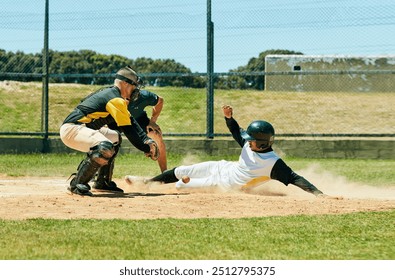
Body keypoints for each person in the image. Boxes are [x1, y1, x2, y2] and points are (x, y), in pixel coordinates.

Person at [126, 105, 327, 197]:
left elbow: (296, 178)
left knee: (180, 186)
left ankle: (181, 183)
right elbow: (236, 132)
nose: (247, 142)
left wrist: (319, 194)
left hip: (223, 184)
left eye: (252, 141)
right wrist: (229, 118)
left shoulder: (274, 164)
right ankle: (147, 182)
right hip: (221, 167)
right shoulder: (250, 144)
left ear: (264, 144)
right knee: (181, 170)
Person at [60, 66, 159, 196]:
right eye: (134, 85)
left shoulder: (116, 98)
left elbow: (131, 122)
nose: (135, 90)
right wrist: (145, 148)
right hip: (72, 129)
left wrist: (147, 140)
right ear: (124, 83)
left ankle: (102, 182)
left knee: (115, 138)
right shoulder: (115, 99)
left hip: (84, 129)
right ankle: (77, 184)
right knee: (104, 147)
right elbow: (128, 129)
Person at [109, 89, 167, 173]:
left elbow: (160, 100)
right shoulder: (113, 96)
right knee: (105, 140)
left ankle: (165, 173)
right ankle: (97, 174)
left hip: (138, 119)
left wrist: (153, 121)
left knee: (155, 134)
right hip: (115, 120)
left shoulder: (144, 95)